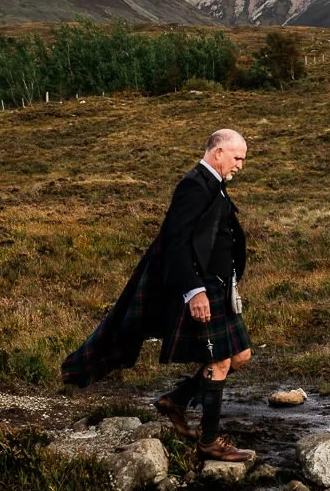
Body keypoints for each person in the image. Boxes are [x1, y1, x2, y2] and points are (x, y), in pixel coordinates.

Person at [61, 129, 254, 462]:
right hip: (203, 290)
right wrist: (194, 292)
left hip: (219, 288)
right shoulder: (193, 186)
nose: (240, 165)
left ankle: (176, 400)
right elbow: (176, 243)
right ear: (218, 152)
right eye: (237, 158)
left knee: (240, 356)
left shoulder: (213, 185)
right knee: (219, 360)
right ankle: (209, 442)